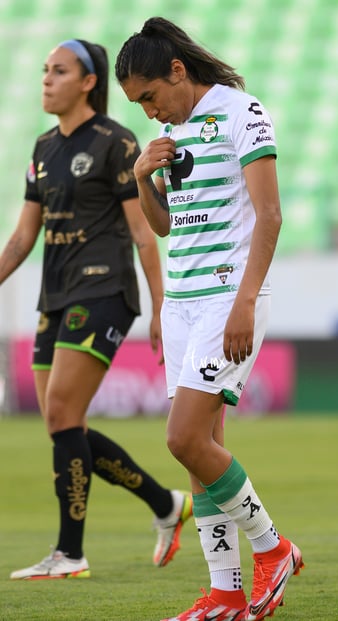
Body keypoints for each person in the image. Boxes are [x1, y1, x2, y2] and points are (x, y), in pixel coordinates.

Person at [115, 16, 304, 621]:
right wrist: (144, 177)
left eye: (149, 96)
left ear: (177, 72)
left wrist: (247, 299)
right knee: (201, 451)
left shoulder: (240, 111)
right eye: (137, 104)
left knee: (183, 438)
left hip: (229, 300)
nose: (149, 112)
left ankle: (274, 550)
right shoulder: (166, 140)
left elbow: (269, 216)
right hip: (183, 304)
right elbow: (167, 226)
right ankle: (225, 593)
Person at [0, 38, 193, 581]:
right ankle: (166, 505)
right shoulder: (42, 147)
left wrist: (160, 306)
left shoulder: (116, 141)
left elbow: (144, 233)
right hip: (54, 293)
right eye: (44, 71)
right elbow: (21, 239)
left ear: (88, 82)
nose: (46, 79)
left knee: (62, 414)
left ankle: (70, 553)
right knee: (64, 425)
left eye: (58, 71)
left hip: (103, 290)